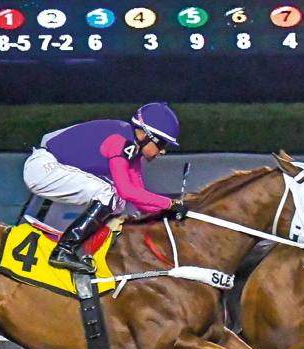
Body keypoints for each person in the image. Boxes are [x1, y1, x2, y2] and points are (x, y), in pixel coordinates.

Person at [22, 102, 184, 273]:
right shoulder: (120, 141)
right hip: (42, 169)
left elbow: (139, 199)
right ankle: (64, 250)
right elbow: (127, 190)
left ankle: (85, 248)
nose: (163, 151)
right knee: (108, 193)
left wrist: (168, 212)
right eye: (162, 144)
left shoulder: (133, 150)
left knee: (118, 200)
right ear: (146, 135)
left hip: (50, 168)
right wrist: (170, 203)